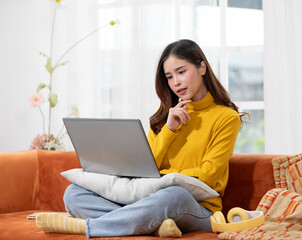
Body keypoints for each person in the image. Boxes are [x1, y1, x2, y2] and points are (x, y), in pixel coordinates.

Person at [36, 39, 247, 238]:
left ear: (202, 68)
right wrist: (169, 130)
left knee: (173, 195)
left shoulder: (226, 117)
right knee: (75, 193)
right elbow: (146, 168)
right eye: (169, 77)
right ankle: (153, 226)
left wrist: (162, 178)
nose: (176, 82)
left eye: (181, 72)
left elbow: (207, 176)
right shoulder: (166, 114)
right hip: (148, 199)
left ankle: (90, 227)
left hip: (196, 207)